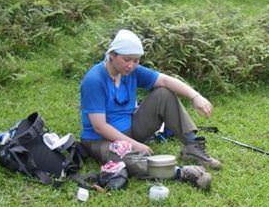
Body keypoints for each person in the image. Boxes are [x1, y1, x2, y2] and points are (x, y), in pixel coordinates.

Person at [79, 29, 221, 190]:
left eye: (136, 60)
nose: (131, 65)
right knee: (125, 158)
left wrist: (195, 96)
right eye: (126, 59)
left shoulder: (131, 72)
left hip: (130, 128)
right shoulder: (94, 80)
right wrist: (134, 145)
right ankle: (183, 173)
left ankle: (191, 146)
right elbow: (100, 126)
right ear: (112, 55)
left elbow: (165, 81)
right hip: (99, 140)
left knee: (163, 94)